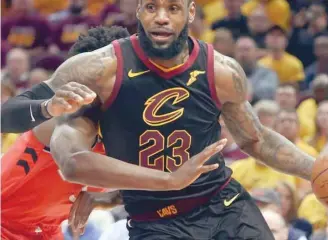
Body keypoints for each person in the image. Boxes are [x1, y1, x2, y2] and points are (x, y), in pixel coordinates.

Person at [46, 1, 328, 239]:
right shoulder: (101, 71)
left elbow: (256, 139)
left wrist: (321, 173)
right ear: (140, 12)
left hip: (223, 204)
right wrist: (112, 193)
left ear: (190, 12)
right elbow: (74, 160)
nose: (162, 17)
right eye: (152, 7)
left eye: (173, 8)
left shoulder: (220, 71)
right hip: (156, 220)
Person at [1, 26, 221, 240]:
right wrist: (46, 107)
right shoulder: (67, 117)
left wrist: (106, 197)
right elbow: (6, 117)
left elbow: (150, 190)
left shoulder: (137, 123)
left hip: (45, 230)